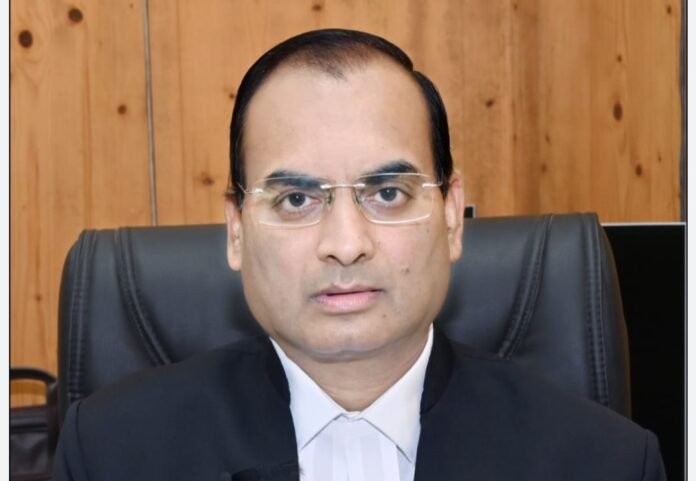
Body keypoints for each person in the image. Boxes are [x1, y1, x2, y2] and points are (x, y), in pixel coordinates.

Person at [52, 29, 666, 481]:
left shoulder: (605, 462)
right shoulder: (109, 455)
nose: (346, 245)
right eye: (296, 199)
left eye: (388, 193)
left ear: (452, 215)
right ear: (236, 231)